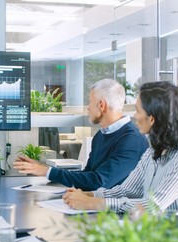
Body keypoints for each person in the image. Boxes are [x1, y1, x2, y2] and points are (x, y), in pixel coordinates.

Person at [63, 81, 178, 213]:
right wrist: (88, 195)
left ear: (152, 118)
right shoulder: (153, 151)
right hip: (150, 231)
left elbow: (152, 206)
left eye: (137, 110)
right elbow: (126, 191)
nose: (134, 116)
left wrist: (93, 203)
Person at [13, 79, 148, 191]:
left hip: (120, 217)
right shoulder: (101, 135)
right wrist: (45, 169)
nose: (88, 107)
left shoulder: (131, 140)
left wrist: (47, 172)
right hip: (97, 207)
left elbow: (98, 182)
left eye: (90, 101)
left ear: (101, 105)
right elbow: (88, 175)